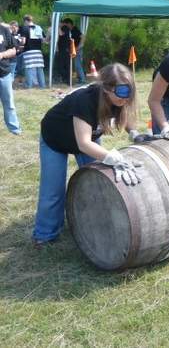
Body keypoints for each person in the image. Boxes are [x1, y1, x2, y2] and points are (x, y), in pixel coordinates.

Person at [32, 63, 141, 247]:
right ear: (106, 88)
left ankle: (93, 222)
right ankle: (45, 234)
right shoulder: (85, 100)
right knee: (53, 190)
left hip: (88, 139)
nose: (126, 98)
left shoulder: (119, 99)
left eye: (129, 92)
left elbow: (124, 114)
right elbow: (84, 143)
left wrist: (135, 133)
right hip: (56, 139)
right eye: (122, 92)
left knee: (97, 183)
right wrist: (113, 158)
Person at [0, 19, 22, 135]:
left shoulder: (4, 30)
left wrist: (2, 54)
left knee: (9, 103)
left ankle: (14, 128)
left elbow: (14, 50)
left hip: (4, 73)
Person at [19, 15, 46, 88]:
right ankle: (42, 85)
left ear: (26, 21)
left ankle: (29, 85)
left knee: (29, 68)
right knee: (40, 68)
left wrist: (19, 42)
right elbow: (43, 40)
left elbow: (23, 42)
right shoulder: (39, 27)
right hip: (38, 51)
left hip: (28, 51)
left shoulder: (24, 28)